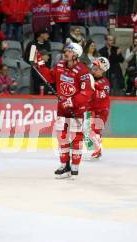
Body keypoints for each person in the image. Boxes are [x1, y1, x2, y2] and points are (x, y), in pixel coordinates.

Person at [34, 43, 94, 178]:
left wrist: (71, 101)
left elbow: (86, 92)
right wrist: (40, 63)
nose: (65, 53)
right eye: (65, 50)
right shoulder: (60, 65)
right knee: (62, 138)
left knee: (76, 139)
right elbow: (49, 77)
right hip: (62, 109)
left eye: (69, 51)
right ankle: (64, 165)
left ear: (76, 55)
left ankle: (75, 166)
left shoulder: (83, 71)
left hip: (77, 110)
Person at [88, 57, 111, 159]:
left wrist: (91, 88)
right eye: (94, 66)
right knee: (88, 129)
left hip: (101, 110)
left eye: (96, 67)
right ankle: (97, 149)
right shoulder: (91, 78)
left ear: (102, 70)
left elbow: (100, 96)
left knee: (95, 129)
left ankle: (98, 150)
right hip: (91, 108)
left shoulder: (104, 83)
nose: (93, 68)